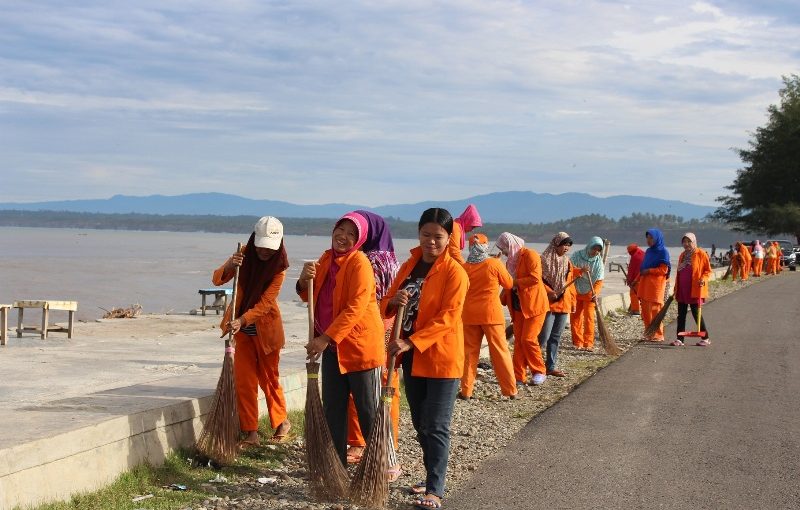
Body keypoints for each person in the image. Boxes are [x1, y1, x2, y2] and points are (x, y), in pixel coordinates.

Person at [383, 207, 469, 510]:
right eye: (425, 235)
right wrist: (393, 301)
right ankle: (431, 474)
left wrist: (410, 341)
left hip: (442, 358)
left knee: (436, 425)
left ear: (449, 238)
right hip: (412, 359)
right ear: (418, 233)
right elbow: (387, 302)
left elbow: (448, 317)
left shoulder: (455, 272)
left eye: (438, 236)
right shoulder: (410, 264)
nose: (431, 241)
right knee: (421, 423)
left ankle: (435, 489)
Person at [296, 211, 385, 466]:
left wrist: (324, 338)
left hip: (359, 348)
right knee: (333, 409)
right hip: (333, 347)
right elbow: (310, 296)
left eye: (351, 234)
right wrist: (303, 279)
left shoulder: (360, 264)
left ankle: (379, 466)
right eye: (341, 230)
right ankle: (335, 467)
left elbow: (355, 308)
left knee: (367, 410)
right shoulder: (326, 259)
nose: (343, 237)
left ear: (359, 240)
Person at [213, 216, 292, 447]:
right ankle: (251, 432)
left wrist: (242, 319)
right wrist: (230, 265)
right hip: (242, 333)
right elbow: (217, 279)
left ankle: (281, 422)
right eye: (261, 247)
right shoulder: (243, 254)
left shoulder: (280, 267)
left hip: (265, 330)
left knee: (270, 379)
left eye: (269, 248)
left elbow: (266, 303)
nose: (264, 252)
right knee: (244, 381)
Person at [344, 210, 402, 480]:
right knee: (388, 387)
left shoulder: (368, 260)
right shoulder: (393, 260)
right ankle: (389, 441)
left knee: (363, 388)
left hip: (370, 329)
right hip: (388, 328)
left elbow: (363, 300)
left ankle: (359, 443)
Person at [460, 233, 517, 399]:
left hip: (469, 315)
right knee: (500, 352)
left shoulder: (463, 267)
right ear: (485, 246)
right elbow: (509, 283)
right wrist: (498, 263)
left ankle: (466, 391)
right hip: (491, 315)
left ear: (471, 247)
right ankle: (510, 390)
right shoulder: (493, 263)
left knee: (469, 354)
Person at [495, 232, 549, 386]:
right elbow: (507, 283)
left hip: (534, 305)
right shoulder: (509, 262)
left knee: (528, 339)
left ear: (511, 245)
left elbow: (534, 278)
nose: (504, 252)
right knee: (518, 341)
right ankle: (519, 376)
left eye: (504, 248)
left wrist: (514, 283)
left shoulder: (530, 255)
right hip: (518, 306)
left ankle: (539, 371)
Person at [538, 232, 583, 377]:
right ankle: (534, 365)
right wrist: (549, 291)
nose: (567, 248)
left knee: (555, 337)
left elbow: (569, 279)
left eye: (569, 246)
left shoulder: (567, 261)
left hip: (564, 303)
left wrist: (580, 271)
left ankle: (550, 366)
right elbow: (538, 281)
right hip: (548, 304)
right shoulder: (543, 260)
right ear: (556, 244)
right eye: (564, 245)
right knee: (543, 337)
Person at [671, 232, 711, 347]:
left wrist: (703, 279)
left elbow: (707, 270)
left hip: (695, 289)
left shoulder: (701, 254)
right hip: (682, 289)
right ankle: (680, 339)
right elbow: (679, 272)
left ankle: (706, 338)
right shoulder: (682, 255)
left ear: (694, 242)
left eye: (689, 241)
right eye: (684, 241)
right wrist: (675, 288)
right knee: (681, 314)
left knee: (696, 314)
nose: (686, 244)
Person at [633, 228, 671, 342]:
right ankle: (649, 333)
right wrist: (636, 279)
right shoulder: (649, 251)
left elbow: (664, 270)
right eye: (647, 238)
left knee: (655, 310)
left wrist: (649, 271)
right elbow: (642, 269)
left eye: (651, 238)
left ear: (657, 238)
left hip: (656, 286)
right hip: (644, 285)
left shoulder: (663, 251)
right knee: (645, 311)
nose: (648, 240)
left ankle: (658, 334)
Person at [569, 237, 605, 351]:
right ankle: (577, 342)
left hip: (590, 292)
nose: (596, 252)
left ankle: (588, 343)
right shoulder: (576, 255)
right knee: (575, 317)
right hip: (575, 289)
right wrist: (580, 271)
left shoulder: (598, 262)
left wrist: (595, 292)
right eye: (594, 248)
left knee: (589, 318)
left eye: (599, 250)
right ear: (589, 246)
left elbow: (599, 280)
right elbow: (568, 270)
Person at [626, 243, 645, 315]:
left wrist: (629, 280)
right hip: (644, 277)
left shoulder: (634, 257)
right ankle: (643, 309)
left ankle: (636, 310)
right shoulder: (643, 253)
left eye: (630, 252)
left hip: (636, 280)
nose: (630, 254)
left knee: (633, 294)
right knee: (642, 295)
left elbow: (631, 270)